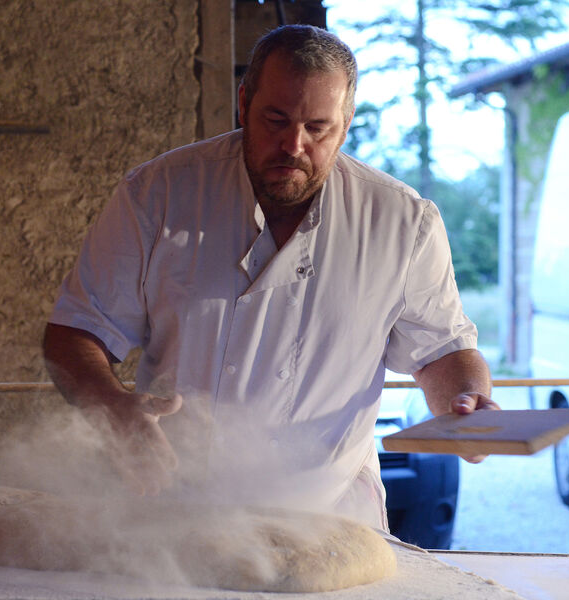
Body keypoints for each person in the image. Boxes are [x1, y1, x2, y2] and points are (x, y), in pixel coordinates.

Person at [43, 24, 498, 530]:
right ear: (243, 103)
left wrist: (467, 402)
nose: (292, 145)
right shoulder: (159, 195)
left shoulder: (402, 222)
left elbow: (442, 351)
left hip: (332, 516)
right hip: (178, 510)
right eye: (275, 119)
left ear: (346, 124)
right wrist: (114, 410)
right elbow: (75, 333)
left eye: (318, 128)